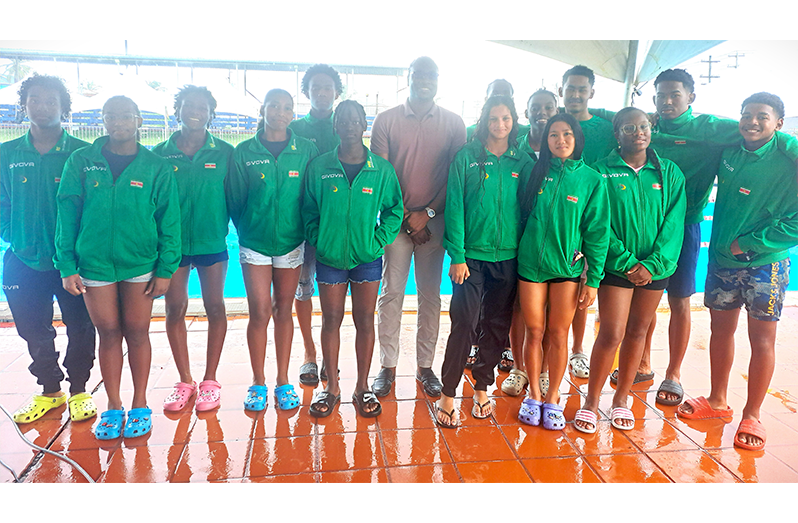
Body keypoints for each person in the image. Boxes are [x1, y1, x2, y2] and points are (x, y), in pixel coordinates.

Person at [603, 69, 798, 407]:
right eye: (660, 95)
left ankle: (674, 373)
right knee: (642, 300)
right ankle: (642, 362)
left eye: (674, 95)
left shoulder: (712, 128)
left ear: (690, 97)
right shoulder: (648, 128)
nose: (666, 102)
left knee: (679, 301)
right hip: (646, 228)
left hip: (688, 225)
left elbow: (761, 132)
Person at [55, 95, 181, 440]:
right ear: (103, 120)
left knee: (137, 332)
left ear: (139, 119)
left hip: (140, 261)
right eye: (111, 116)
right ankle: (113, 404)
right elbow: (66, 214)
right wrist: (66, 264)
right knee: (108, 332)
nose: (119, 122)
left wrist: (166, 268)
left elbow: (169, 221)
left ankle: (140, 402)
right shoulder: (82, 161)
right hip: (94, 263)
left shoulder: (155, 166)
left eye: (127, 116)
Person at [677, 93, 798, 451]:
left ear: (779, 123)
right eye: (747, 115)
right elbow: (703, 127)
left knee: (762, 340)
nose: (752, 122)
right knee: (720, 331)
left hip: (766, 264)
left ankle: (754, 413)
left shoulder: (788, 157)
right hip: (722, 263)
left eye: (763, 117)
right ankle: (717, 400)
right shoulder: (730, 151)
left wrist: (753, 242)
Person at [573, 107, 686, 434]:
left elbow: (673, 224)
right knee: (611, 333)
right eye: (628, 128)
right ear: (616, 133)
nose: (637, 132)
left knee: (638, 331)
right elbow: (597, 225)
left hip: (654, 269)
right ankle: (591, 402)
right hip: (617, 268)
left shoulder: (668, 173)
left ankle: (622, 399)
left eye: (643, 126)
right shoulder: (600, 172)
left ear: (651, 129)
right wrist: (626, 262)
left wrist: (651, 265)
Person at [1, 74, 97, 425]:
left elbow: (92, 207)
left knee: (81, 325)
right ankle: (50, 389)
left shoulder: (81, 155)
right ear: (25, 105)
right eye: (35, 100)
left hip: (71, 261)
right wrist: (16, 234)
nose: (42, 107)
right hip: (23, 259)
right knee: (31, 328)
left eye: (51, 101)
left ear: (64, 107)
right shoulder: (7, 153)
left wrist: (76, 250)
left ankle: (80, 389)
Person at [370, 56, 466, 398]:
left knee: (430, 297)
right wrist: (407, 218)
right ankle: (388, 366)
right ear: (407, 78)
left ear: (438, 80)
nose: (425, 79)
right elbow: (380, 177)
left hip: (434, 221)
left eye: (431, 75)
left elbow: (456, 179)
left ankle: (425, 367)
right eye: (418, 74)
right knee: (391, 293)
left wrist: (426, 213)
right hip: (396, 222)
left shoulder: (454, 124)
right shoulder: (386, 120)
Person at [435, 95, 534, 428]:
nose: (500, 125)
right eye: (493, 119)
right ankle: (448, 391)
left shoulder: (523, 161)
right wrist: (458, 255)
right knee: (463, 321)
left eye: (505, 118)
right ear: (483, 121)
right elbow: (456, 206)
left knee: (496, 325)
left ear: (514, 121)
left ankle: (481, 386)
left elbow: (531, 209)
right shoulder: (467, 157)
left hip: (508, 258)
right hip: (471, 259)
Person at [302, 100, 403, 418]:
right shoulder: (320, 167)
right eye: (342, 120)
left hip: (366, 258)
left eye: (355, 120)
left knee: (364, 320)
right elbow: (307, 210)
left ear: (364, 125)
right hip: (330, 257)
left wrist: (377, 241)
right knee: (330, 320)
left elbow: (394, 210)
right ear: (335, 126)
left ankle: (362, 387)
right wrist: (321, 239)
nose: (348, 125)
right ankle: (330, 388)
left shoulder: (381, 170)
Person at [516, 113, 610, 430]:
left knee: (558, 334)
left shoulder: (590, 180)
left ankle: (553, 395)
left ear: (577, 138)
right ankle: (534, 391)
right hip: (530, 265)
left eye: (567, 134)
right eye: (554, 135)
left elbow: (597, 233)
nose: (561, 140)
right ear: (546, 141)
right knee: (534, 331)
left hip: (566, 268)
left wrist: (593, 279)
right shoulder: (534, 172)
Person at [226, 89, 318, 412]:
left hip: (292, 242)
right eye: (274, 107)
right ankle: (258, 380)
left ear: (293, 113)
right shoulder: (244, 152)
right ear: (262, 110)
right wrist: (251, 226)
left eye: (287, 108)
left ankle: (282, 380)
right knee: (260, 311)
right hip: (255, 243)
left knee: (283, 309)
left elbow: (310, 196)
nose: (280, 112)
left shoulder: (305, 150)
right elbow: (235, 201)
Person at [152, 85, 234, 412]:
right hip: (172, 246)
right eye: (189, 106)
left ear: (212, 114)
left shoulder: (225, 153)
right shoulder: (159, 153)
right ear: (177, 111)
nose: (195, 111)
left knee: (216, 306)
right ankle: (185, 380)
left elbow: (237, 197)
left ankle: (210, 380)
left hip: (212, 241)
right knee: (175, 308)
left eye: (203, 107)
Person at [288, 64, 343, 386]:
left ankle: (329, 356)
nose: (322, 93)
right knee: (303, 289)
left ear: (337, 92)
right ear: (306, 91)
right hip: (301, 225)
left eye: (328, 88)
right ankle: (309, 354)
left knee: (333, 294)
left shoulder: (345, 125)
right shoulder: (294, 128)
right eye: (315, 87)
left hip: (337, 226)